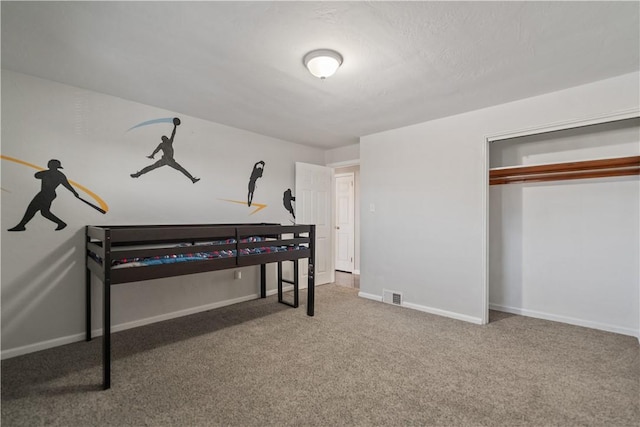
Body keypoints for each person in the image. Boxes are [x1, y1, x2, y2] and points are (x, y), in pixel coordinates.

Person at [8, 159, 80, 231]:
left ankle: (21, 225)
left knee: (32, 209)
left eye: (50, 164)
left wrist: (74, 192)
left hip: (46, 194)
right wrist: (74, 193)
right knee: (44, 212)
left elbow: (67, 185)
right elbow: (36, 175)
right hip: (48, 194)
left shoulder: (56, 175)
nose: (49, 165)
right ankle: (61, 223)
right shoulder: (57, 175)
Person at [130, 117, 200, 183]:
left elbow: (173, 134)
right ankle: (192, 179)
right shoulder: (165, 143)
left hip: (167, 160)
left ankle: (138, 174)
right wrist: (152, 155)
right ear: (164, 139)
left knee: (152, 167)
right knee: (180, 169)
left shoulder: (168, 143)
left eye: (166, 137)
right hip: (167, 160)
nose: (166, 138)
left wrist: (175, 126)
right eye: (165, 138)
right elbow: (157, 150)